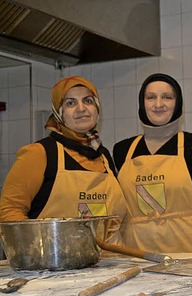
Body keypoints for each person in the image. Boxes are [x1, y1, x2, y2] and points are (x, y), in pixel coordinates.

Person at [0, 76, 126, 237]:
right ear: (59, 113)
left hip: (102, 259)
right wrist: (39, 250)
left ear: (97, 108)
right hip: (51, 259)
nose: (81, 109)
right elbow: (10, 210)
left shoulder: (104, 156)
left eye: (88, 101)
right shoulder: (39, 153)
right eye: (70, 103)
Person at [112, 73, 192, 253]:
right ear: (142, 103)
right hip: (139, 256)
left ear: (178, 104)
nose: (158, 104)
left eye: (167, 97)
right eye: (151, 97)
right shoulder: (121, 151)